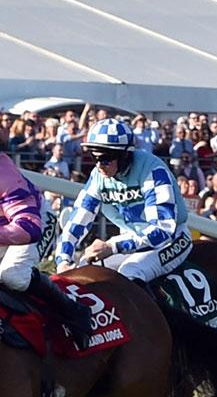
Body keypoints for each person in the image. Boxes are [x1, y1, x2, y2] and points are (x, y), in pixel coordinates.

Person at [53, 118, 195, 288]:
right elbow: (76, 222)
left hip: (172, 239)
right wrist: (63, 261)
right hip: (133, 239)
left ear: (124, 155)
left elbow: (162, 230)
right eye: (94, 157)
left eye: (105, 158)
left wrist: (113, 246)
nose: (99, 165)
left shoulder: (153, 171)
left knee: (131, 270)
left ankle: (153, 315)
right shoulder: (98, 177)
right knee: (84, 267)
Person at [0, 148, 94, 346]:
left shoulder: (3, 173)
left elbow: (29, 227)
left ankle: (74, 312)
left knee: (13, 276)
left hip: (35, 222)